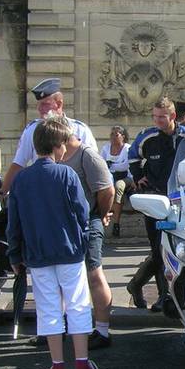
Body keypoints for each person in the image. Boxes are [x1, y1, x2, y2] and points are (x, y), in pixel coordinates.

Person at [6, 118, 108, 369]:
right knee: (77, 304)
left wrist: (15, 255)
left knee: (48, 307)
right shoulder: (67, 175)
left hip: (37, 254)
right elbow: (82, 212)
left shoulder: (21, 180)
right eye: (65, 144)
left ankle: (57, 367)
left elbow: (13, 222)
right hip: (69, 250)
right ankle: (83, 365)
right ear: (57, 146)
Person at [126, 97, 185, 311]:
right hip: (155, 199)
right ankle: (164, 296)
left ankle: (137, 284)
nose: (158, 121)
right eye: (155, 117)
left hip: (182, 200)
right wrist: (138, 177)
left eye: (162, 117)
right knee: (159, 249)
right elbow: (132, 157)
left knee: (180, 248)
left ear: (173, 116)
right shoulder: (146, 136)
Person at [60, 121, 116, 351]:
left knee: (94, 273)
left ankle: (102, 331)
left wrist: (100, 215)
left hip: (88, 220)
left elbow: (107, 190)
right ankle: (63, 327)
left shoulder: (87, 156)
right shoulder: (59, 153)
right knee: (65, 278)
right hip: (64, 222)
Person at [0, 78, 97, 194]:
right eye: (39, 104)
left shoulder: (81, 130)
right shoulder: (32, 130)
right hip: (42, 192)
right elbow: (18, 164)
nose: (40, 109)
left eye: (45, 104)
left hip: (72, 193)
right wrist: (2, 193)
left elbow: (94, 167)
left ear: (59, 104)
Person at [101, 125, 132, 238]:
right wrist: (109, 167)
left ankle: (116, 223)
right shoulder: (105, 148)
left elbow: (125, 166)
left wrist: (111, 165)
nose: (113, 137)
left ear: (123, 136)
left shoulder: (127, 148)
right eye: (112, 134)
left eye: (116, 134)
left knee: (118, 186)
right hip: (109, 177)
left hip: (125, 177)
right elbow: (101, 164)